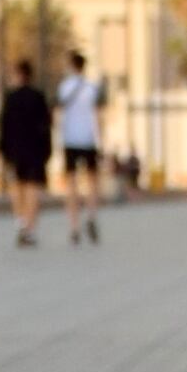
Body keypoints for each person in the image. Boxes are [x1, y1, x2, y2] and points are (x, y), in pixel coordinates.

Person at [0, 51, 54, 250]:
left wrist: (4, 151)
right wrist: (48, 150)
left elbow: (3, 126)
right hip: (35, 150)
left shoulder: (10, 98)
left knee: (17, 187)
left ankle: (20, 222)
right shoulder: (38, 97)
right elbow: (47, 126)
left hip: (15, 150)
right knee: (32, 188)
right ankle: (31, 228)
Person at [55, 47, 104, 242]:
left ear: (70, 65)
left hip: (70, 139)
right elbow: (99, 117)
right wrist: (101, 139)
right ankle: (91, 215)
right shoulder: (92, 88)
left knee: (72, 184)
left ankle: (74, 225)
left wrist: (59, 137)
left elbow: (58, 114)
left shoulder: (64, 87)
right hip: (89, 139)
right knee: (92, 181)